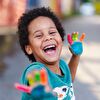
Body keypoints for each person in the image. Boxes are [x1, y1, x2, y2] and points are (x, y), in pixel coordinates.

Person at [16, 7, 85, 100]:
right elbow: (35, 76)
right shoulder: (36, 69)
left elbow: (69, 80)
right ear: (29, 48)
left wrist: (76, 56)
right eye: (39, 35)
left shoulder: (62, 65)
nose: (48, 38)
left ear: (61, 37)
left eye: (52, 32)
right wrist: (39, 88)